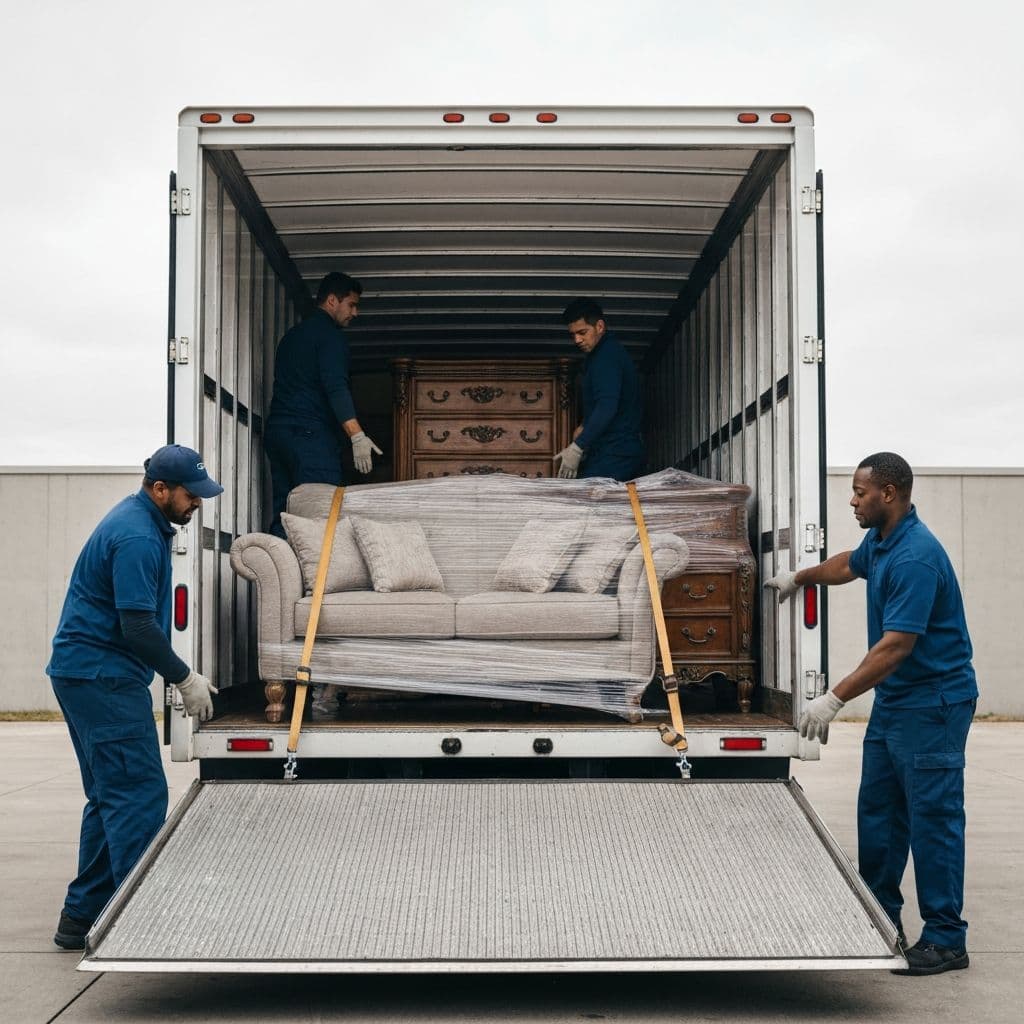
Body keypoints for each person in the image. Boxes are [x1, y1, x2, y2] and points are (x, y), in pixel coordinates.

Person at [765, 452, 978, 976]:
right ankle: (881, 918)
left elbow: (896, 647)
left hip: (934, 702)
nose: (853, 499)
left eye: (861, 492)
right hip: (897, 701)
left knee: (932, 818)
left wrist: (834, 698)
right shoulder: (882, 542)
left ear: (889, 493)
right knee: (879, 813)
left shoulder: (915, 558)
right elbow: (847, 564)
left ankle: (947, 939)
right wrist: (802, 576)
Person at [46, 445, 223, 951]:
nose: (197, 505)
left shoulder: (138, 522)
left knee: (109, 797)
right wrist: (183, 677)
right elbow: (138, 626)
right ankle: (138, 924)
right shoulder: (138, 536)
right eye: (191, 496)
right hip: (103, 679)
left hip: (86, 674)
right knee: (138, 797)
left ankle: (81, 917)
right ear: (160, 489)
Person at [264, 271, 383, 537]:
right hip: (309, 437)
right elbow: (335, 387)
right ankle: (315, 580)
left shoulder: (291, 337)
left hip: (278, 433)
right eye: (351, 304)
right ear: (332, 301)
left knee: (286, 510)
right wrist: (357, 435)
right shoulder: (330, 337)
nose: (356, 312)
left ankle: (277, 574)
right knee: (320, 512)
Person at [554, 298, 644, 481]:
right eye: (573, 335)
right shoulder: (600, 356)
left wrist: (578, 446)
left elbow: (607, 405)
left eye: (582, 332)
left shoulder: (606, 356)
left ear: (600, 327)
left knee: (589, 504)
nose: (577, 340)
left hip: (616, 452)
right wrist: (585, 425)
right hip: (611, 451)